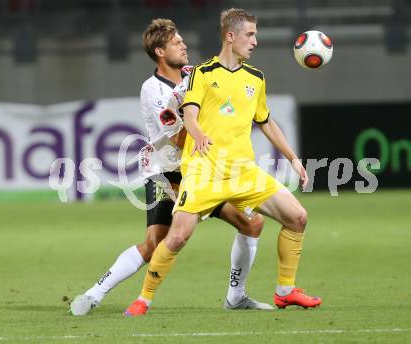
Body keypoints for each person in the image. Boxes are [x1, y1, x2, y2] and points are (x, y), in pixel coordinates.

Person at [123, 8, 322, 317]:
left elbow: (266, 122)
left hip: (243, 171)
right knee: (177, 236)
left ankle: (285, 290)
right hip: (204, 169)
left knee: (297, 217)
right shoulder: (202, 73)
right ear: (231, 36)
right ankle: (143, 299)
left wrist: (293, 158)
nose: (255, 41)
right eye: (250, 35)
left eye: (255, 35)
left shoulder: (255, 78)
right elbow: (188, 113)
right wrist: (199, 133)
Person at [69, 18, 272, 316]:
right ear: (160, 52)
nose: (184, 45)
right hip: (169, 173)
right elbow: (178, 137)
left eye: (182, 41)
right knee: (155, 244)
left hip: (204, 169)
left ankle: (236, 296)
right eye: (177, 43)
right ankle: (94, 294)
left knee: (252, 223)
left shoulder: (195, 75)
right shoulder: (153, 90)